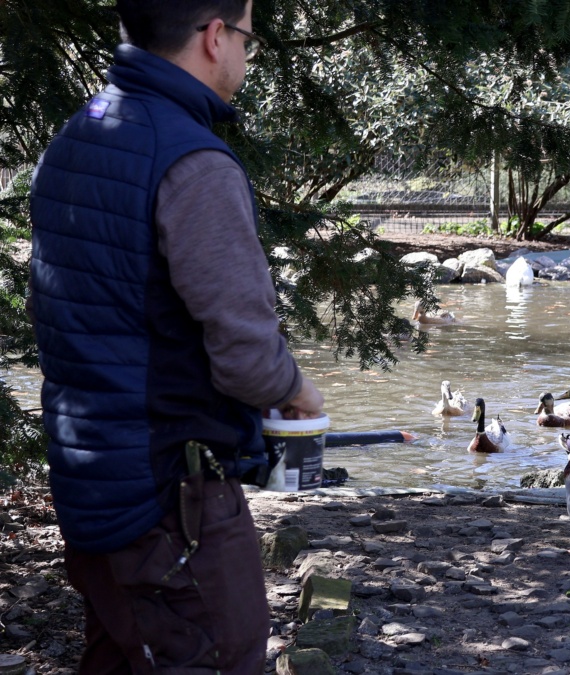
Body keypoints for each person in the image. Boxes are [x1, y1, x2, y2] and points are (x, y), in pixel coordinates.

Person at [28, 1, 323, 672]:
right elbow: (248, 358)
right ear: (216, 37)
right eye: (248, 36)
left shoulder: (78, 133)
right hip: (171, 500)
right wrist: (299, 389)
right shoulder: (192, 161)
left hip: (90, 479)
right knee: (223, 654)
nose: (247, 54)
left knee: (117, 654)